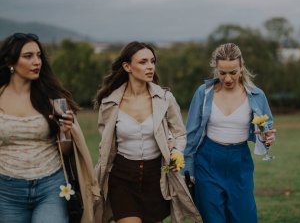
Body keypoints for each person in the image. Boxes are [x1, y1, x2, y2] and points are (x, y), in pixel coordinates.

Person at [93, 41, 202, 223]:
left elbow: (180, 134)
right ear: (127, 66)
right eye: (143, 62)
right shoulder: (109, 103)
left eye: (152, 61)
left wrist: (176, 152)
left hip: (156, 178)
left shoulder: (165, 98)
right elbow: (105, 141)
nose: (150, 66)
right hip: (122, 178)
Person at [0, 33, 99, 223]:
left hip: (51, 186)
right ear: (9, 61)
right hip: (6, 190)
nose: (37, 61)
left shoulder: (52, 99)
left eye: (39, 56)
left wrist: (65, 132)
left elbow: (66, 151)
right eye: (28, 56)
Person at [182, 43, 276, 223]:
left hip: (240, 162)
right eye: (222, 72)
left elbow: (267, 130)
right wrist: (188, 169)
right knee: (212, 218)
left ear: (241, 68)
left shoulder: (257, 95)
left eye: (233, 72)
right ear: (215, 68)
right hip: (208, 161)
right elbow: (191, 134)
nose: (227, 78)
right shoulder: (203, 93)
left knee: (245, 217)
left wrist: (268, 139)